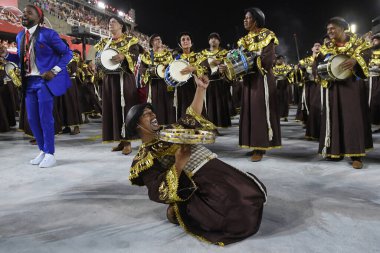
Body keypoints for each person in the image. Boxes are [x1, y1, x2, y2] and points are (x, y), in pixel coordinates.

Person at [126, 74, 267, 245]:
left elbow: (191, 117)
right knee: (236, 212)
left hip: (215, 167)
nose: (152, 114)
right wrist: (179, 163)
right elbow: (157, 191)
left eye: (151, 111)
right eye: (146, 114)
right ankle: (181, 210)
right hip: (198, 182)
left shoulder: (170, 130)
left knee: (253, 192)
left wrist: (200, 89)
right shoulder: (144, 157)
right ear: (136, 126)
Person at [0, 4, 72, 167]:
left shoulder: (48, 34)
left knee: (45, 117)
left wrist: (54, 71)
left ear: (39, 18)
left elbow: (68, 54)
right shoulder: (20, 37)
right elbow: (21, 60)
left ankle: (51, 153)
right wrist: (6, 55)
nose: (24, 14)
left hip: (44, 81)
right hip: (29, 82)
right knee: (32, 119)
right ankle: (43, 150)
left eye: (29, 13)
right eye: (24, 12)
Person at [219, 7, 281, 162]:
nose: (245, 20)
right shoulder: (243, 40)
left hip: (262, 79)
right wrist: (227, 67)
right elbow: (237, 62)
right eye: (244, 18)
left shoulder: (268, 35)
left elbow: (268, 60)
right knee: (250, 113)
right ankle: (252, 144)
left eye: (248, 18)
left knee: (260, 112)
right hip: (249, 81)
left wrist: (251, 60)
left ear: (256, 20)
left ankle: (260, 147)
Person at [315, 17, 373, 169]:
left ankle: (356, 155)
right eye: (328, 30)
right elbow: (319, 66)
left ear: (342, 28)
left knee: (352, 119)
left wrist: (355, 61)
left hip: (352, 86)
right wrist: (316, 56)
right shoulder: (326, 46)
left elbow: (367, 55)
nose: (330, 32)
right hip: (333, 88)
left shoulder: (357, 43)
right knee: (335, 118)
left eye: (332, 28)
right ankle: (335, 151)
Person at [94, 16, 140, 155]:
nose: (110, 24)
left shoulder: (130, 41)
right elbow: (98, 58)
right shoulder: (104, 42)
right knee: (113, 109)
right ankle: (119, 140)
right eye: (109, 22)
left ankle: (128, 142)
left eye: (113, 22)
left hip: (124, 79)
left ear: (121, 25)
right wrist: (96, 66)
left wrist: (124, 56)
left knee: (125, 108)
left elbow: (136, 54)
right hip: (109, 80)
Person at [139, 34, 175, 125]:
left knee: (168, 104)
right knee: (155, 105)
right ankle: (155, 127)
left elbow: (173, 67)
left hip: (166, 84)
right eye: (156, 39)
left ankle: (168, 126)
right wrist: (150, 71)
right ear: (151, 43)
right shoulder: (147, 55)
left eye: (160, 39)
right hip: (153, 84)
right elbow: (141, 69)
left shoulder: (168, 54)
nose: (158, 41)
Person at [173, 32, 207, 120]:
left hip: (196, 86)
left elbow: (205, 70)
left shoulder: (198, 56)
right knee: (183, 106)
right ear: (180, 44)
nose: (185, 41)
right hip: (182, 88)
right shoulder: (176, 58)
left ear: (191, 42)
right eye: (183, 40)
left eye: (188, 39)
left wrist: (194, 69)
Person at [201, 32, 232, 128]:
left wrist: (222, 66)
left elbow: (230, 65)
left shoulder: (224, 52)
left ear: (219, 41)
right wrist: (211, 64)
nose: (213, 40)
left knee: (221, 102)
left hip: (221, 82)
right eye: (211, 38)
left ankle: (223, 123)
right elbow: (200, 66)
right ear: (208, 41)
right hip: (209, 82)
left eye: (216, 38)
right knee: (210, 104)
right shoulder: (203, 53)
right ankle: (211, 124)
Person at [298, 42, 322, 140]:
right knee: (308, 104)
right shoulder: (307, 60)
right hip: (309, 85)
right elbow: (299, 67)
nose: (317, 47)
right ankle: (308, 123)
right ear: (312, 48)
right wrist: (301, 68)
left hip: (319, 85)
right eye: (315, 45)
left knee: (317, 106)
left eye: (319, 46)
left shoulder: (323, 58)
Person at [273, 55, 292, 121]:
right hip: (277, 85)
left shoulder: (287, 66)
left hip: (285, 84)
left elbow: (290, 73)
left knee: (285, 100)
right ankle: (278, 115)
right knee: (278, 100)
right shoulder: (274, 67)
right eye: (278, 59)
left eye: (281, 59)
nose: (280, 60)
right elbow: (274, 75)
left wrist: (286, 74)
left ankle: (285, 115)